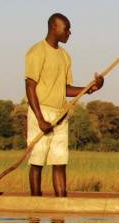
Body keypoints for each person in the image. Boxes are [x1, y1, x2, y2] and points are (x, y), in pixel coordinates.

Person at [25, 12, 104, 197]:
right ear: (54, 28)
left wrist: (91, 88)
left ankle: (61, 205)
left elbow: (66, 89)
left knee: (59, 162)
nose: (69, 33)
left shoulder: (65, 56)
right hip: (41, 112)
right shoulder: (37, 51)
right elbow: (30, 86)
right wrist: (40, 119)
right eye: (66, 28)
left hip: (61, 114)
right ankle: (36, 206)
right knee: (37, 162)